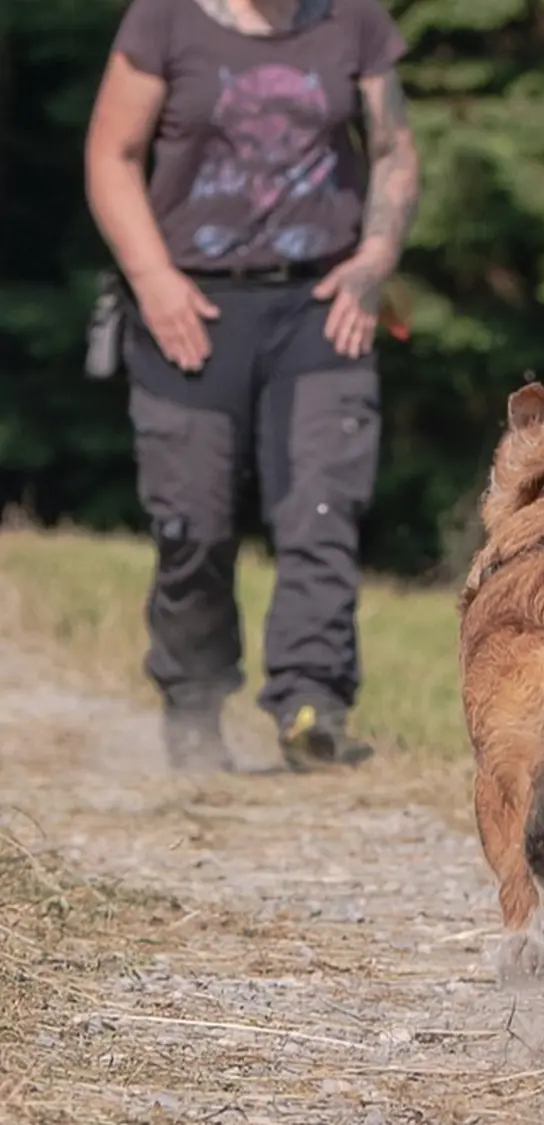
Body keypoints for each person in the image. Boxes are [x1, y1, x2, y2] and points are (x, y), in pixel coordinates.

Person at [83, 0, 421, 772]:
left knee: (322, 509)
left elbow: (395, 151)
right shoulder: (163, 20)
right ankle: (194, 704)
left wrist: (373, 263)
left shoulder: (353, 21)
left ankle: (314, 706)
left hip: (320, 305)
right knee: (192, 523)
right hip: (190, 304)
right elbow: (111, 155)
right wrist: (152, 278)